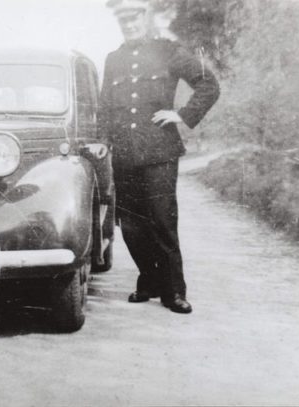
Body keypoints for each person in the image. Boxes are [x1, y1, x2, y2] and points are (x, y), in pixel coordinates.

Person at [97, 0, 220, 313]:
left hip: (159, 153)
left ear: (145, 17)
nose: (129, 25)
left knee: (163, 222)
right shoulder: (113, 59)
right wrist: (102, 141)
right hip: (124, 154)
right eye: (123, 20)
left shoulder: (168, 51)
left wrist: (182, 114)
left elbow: (209, 85)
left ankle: (173, 291)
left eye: (134, 18)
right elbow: (105, 106)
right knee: (132, 226)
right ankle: (148, 281)